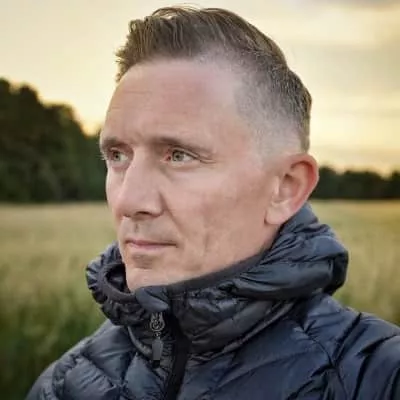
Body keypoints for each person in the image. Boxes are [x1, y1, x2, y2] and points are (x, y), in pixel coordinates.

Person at [27, 6, 400, 400]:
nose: (129, 200)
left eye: (178, 155)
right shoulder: (62, 385)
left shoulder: (379, 381)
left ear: (285, 188)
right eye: (117, 156)